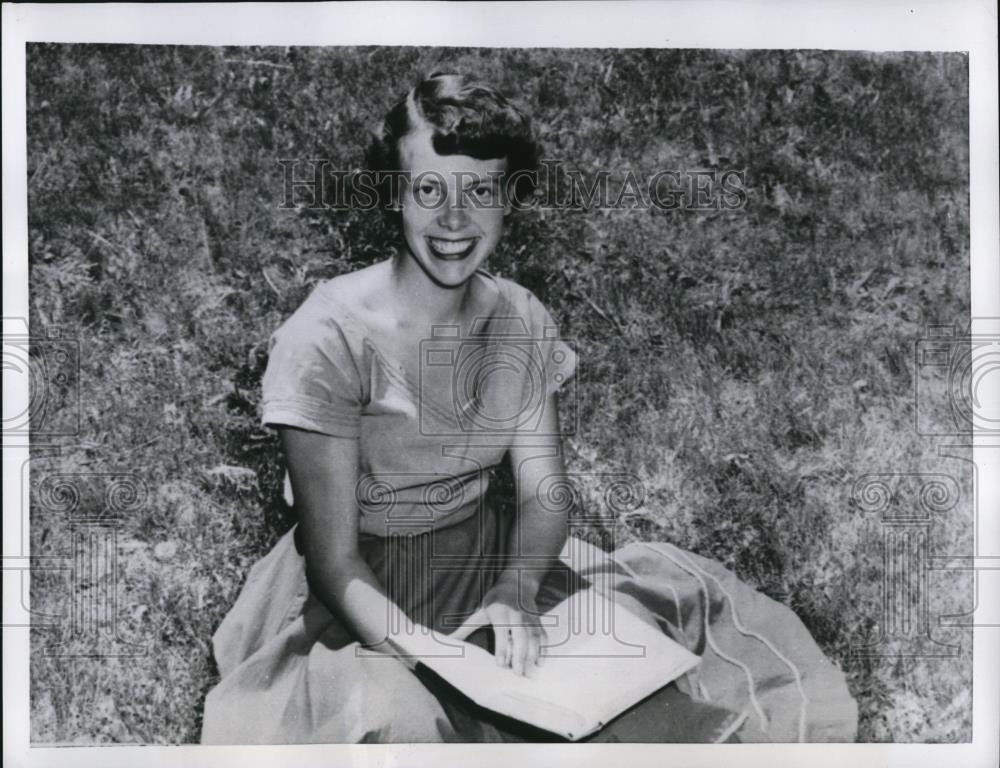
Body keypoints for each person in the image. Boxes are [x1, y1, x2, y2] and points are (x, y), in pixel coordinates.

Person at [200, 71, 858, 744]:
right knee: (404, 727)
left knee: (633, 710)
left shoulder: (518, 317)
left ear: (507, 200)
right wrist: (433, 655)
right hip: (359, 594)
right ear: (393, 195)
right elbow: (335, 563)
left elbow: (544, 496)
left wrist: (515, 590)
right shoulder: (328, 337)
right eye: (430, 190)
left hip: (482, 560)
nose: (454, 220)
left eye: (480, 191)